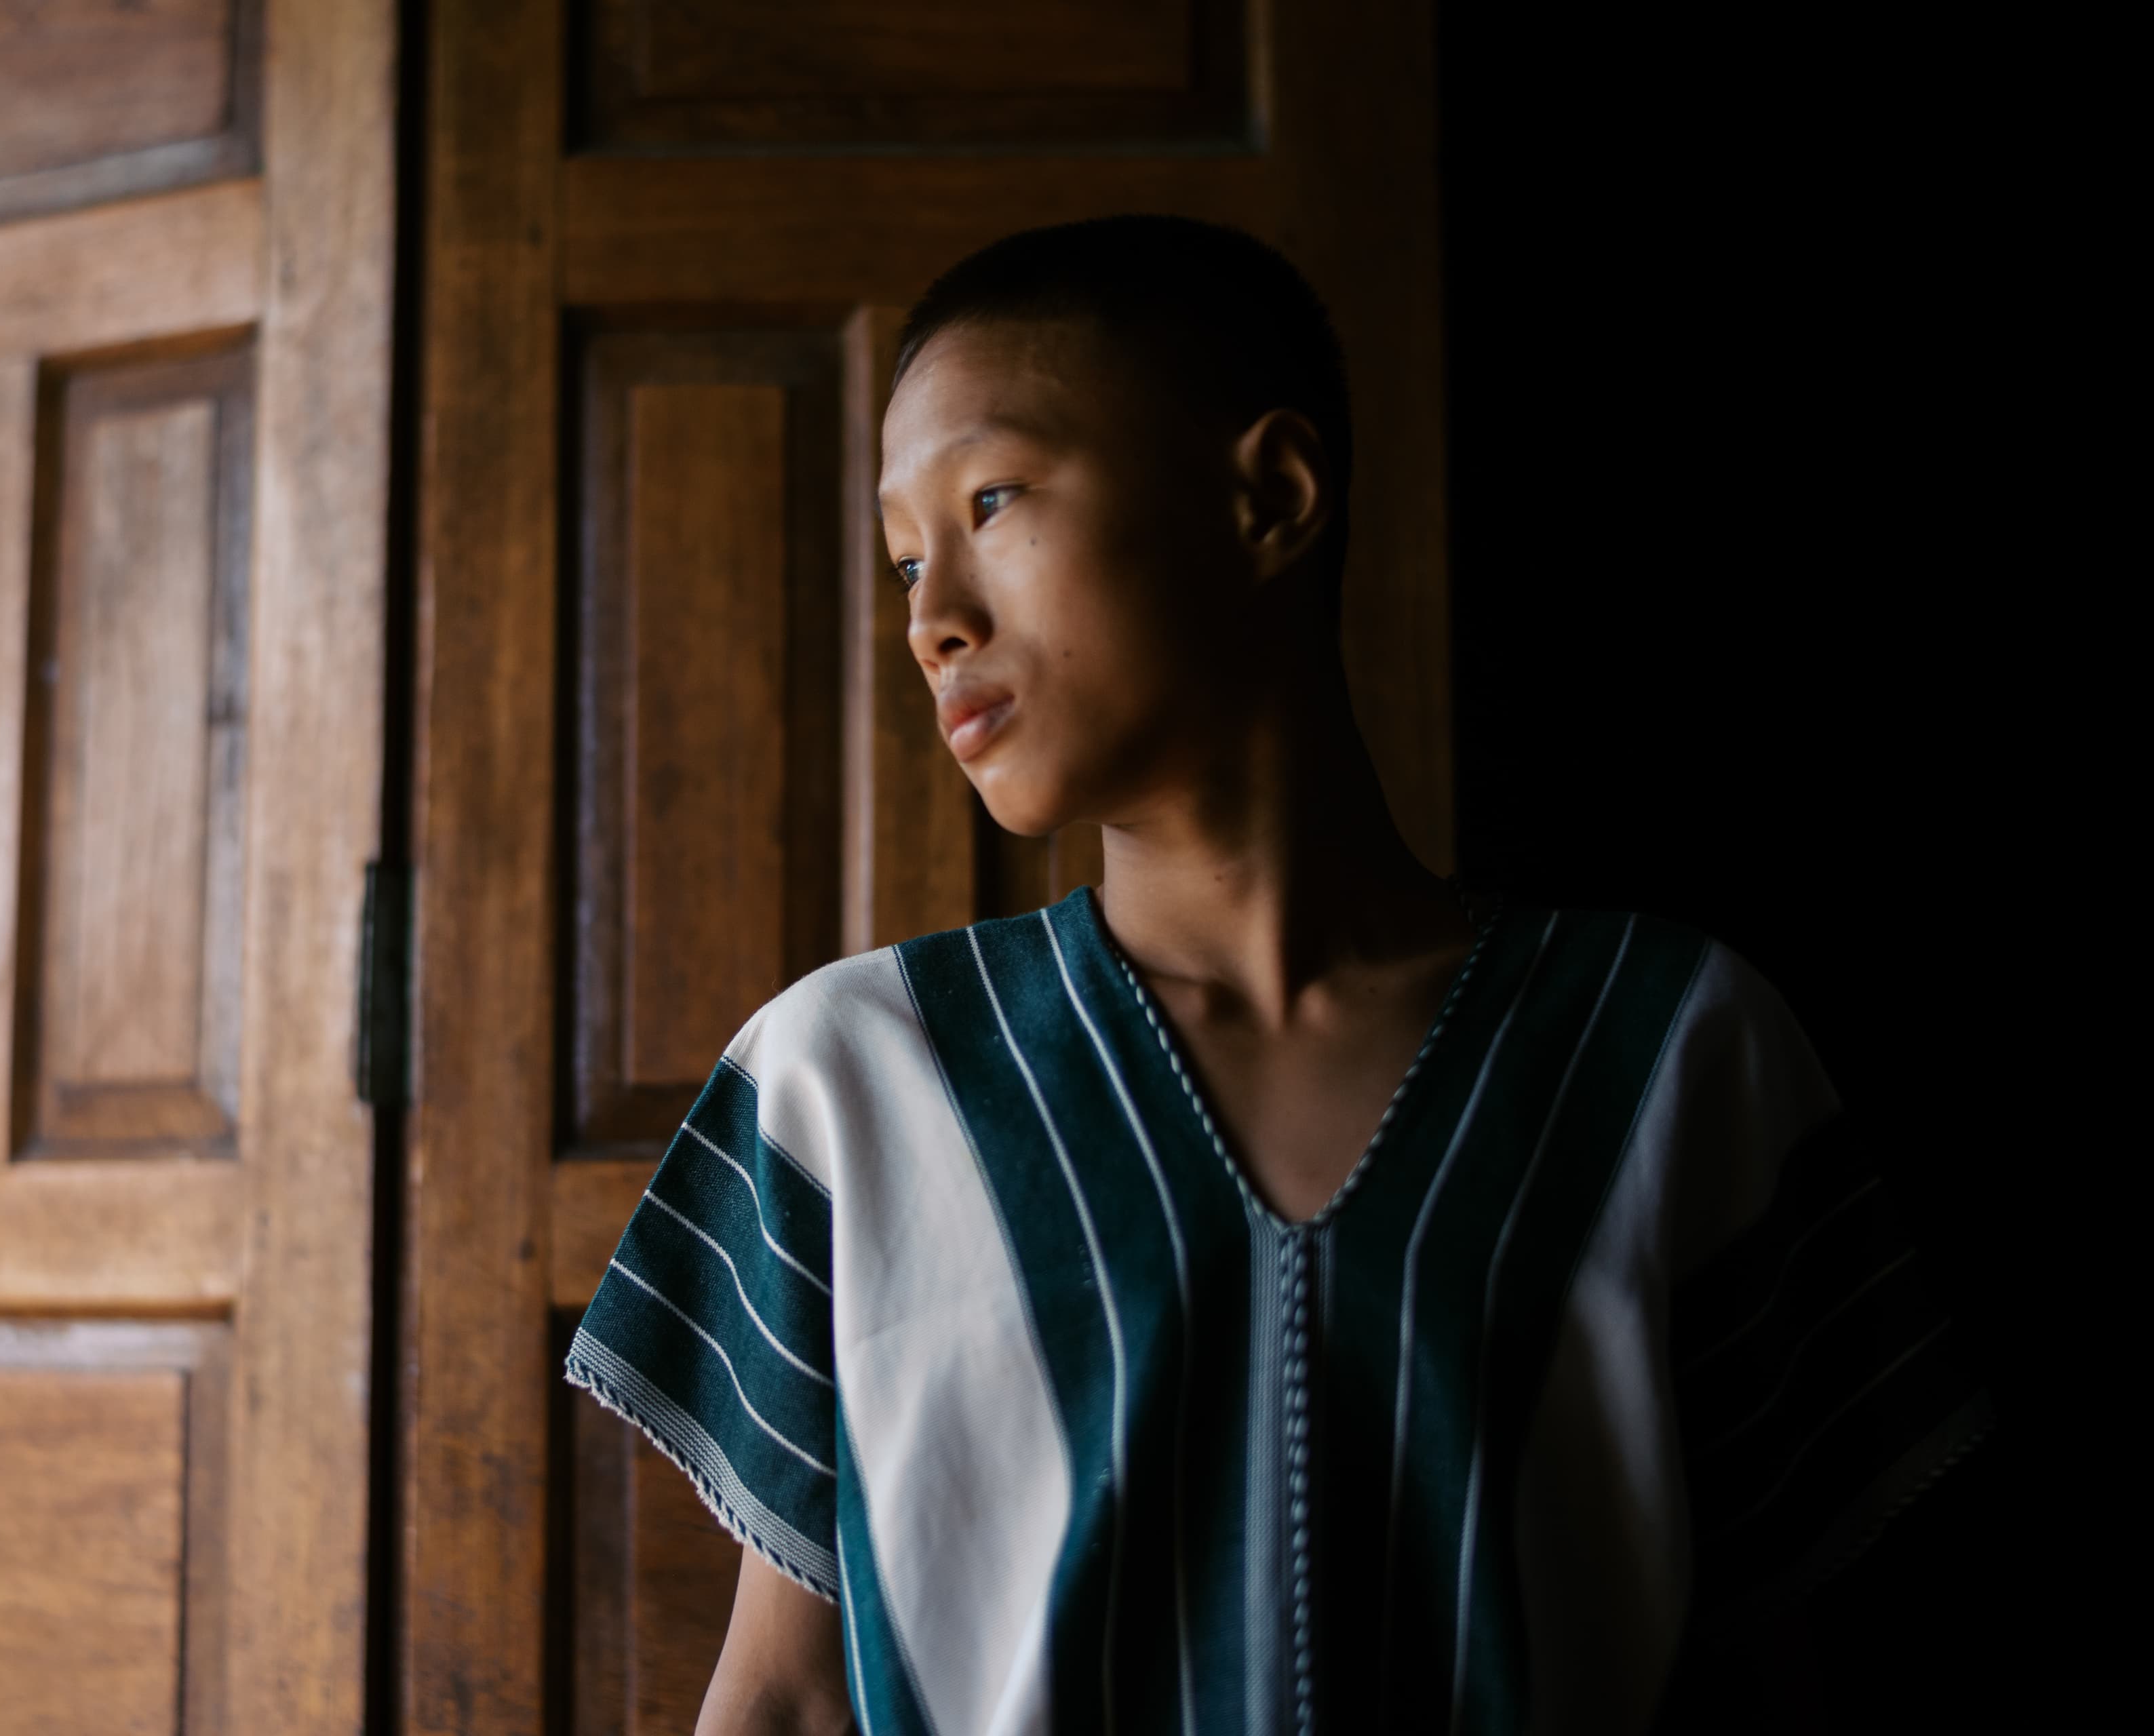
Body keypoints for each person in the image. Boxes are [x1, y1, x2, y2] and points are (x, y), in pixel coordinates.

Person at [562, 216, 1989, 1735]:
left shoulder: (1676, 1051)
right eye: (909, 557)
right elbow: (781, 1693)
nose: (931, 617)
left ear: (1272, 495)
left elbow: (1767, 1667)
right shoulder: (845, 1079)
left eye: (992, 501)